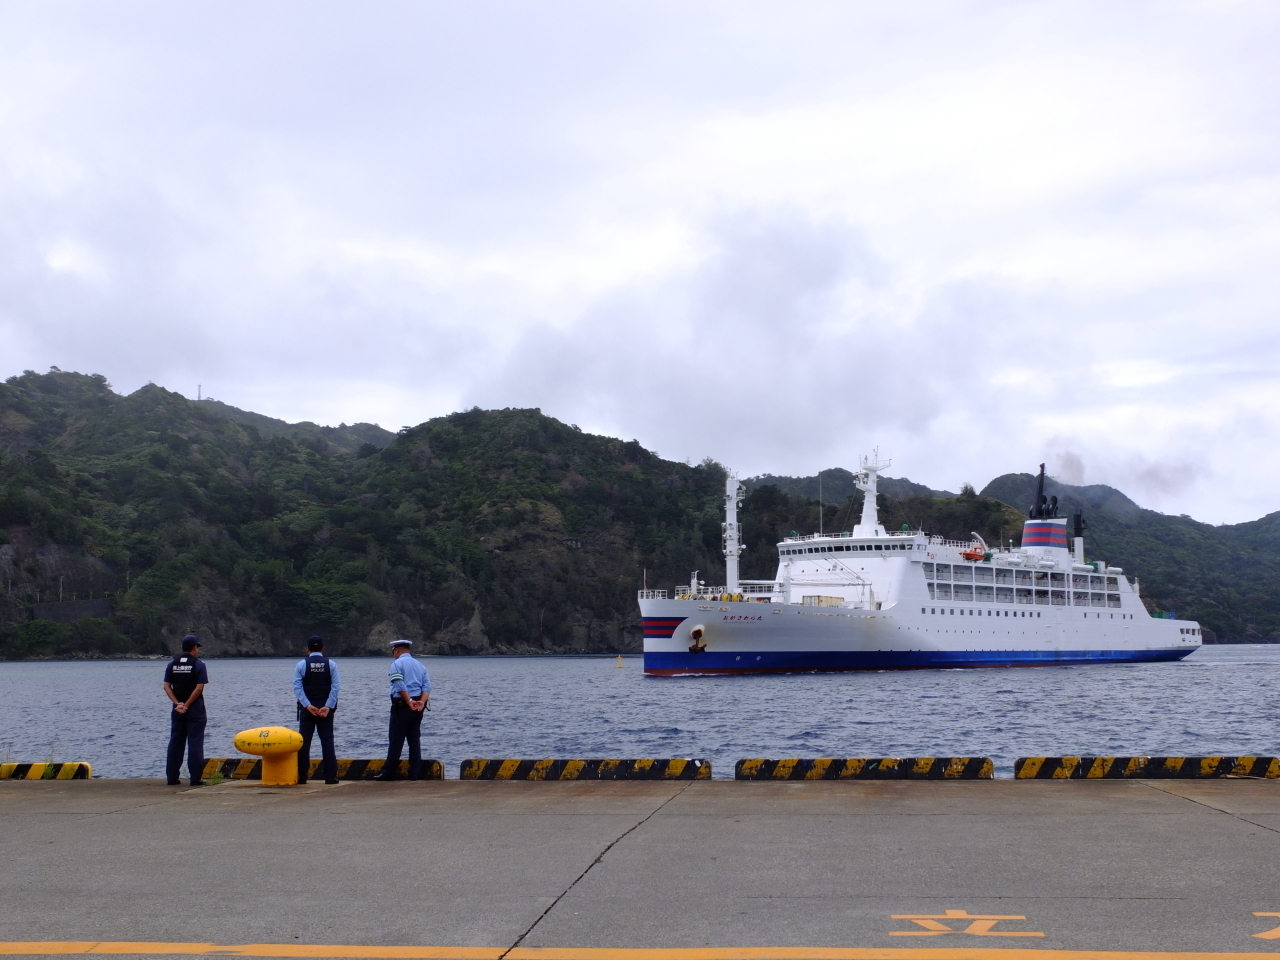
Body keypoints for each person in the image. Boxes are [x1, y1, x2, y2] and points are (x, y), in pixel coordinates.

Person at [374, 639, 431, 781]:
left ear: (397, 651)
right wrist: (421, 703)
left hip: (402, 705)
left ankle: (388, 772)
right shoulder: (421, 666)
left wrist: (409, 701)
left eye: (393, 652)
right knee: (414, 739)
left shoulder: (396, 664)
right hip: (418, 705)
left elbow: (399, 684)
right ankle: (414, 772)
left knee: (396, 739)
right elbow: (427, 687)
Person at [293, 635, 341, 785]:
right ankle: (330, 776)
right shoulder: (331, 664)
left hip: (308, 709)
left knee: (304, 742)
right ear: (323, 648)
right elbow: (335, 687)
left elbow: (297, 687)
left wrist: (308, 705)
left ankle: (302, 776)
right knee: (327, 741)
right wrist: (328, 706)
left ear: (307, 649)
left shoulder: (301, 665)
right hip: (326, 709)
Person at [163, 635, 209, 786]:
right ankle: (195, 778)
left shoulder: (172, 664)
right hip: (194, 708)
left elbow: (166, 686)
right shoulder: (199, 665)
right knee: (195, 742)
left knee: (176, 742)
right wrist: (187, 704)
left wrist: (178, 704)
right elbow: (199, 687)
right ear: (194, 647)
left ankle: (171, 777)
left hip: (177, 709)